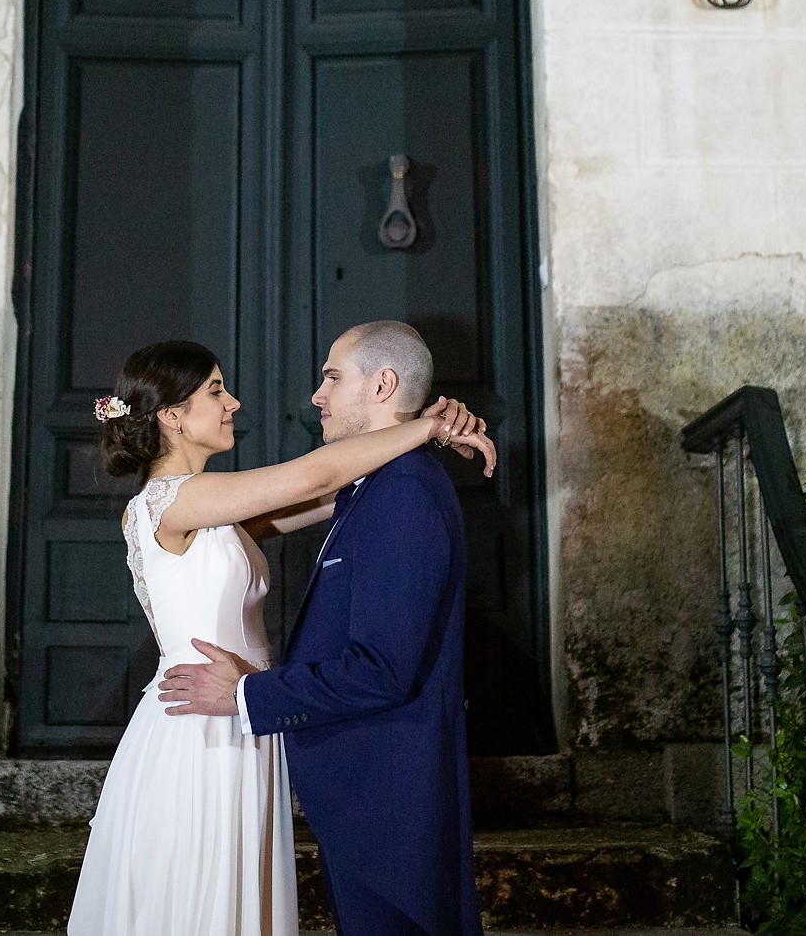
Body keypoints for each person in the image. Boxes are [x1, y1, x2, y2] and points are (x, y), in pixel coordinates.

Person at [67, 335, 493, 936]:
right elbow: (313, 474)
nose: (234, 402)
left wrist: (421, 426)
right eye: (215, 391)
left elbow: (334, 492)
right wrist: (425, 428)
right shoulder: (173, 500)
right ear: (172, 416)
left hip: (241, 717)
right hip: (200, 726)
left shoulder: (220, 511)